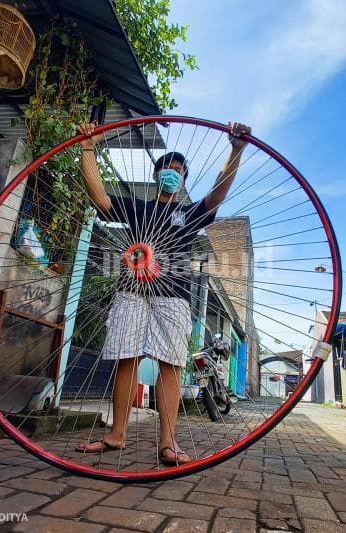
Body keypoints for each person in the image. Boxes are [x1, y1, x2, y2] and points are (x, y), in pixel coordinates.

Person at [75, 120, 251, 465]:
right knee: (126, 359)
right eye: (167, 170)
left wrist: (235, 150)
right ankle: (116, 435)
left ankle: (168, 442)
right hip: (132, 289)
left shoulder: (188, 213)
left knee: (170, 364)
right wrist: (87, 146)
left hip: (173, 296)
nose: (173, 175)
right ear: (157, 175)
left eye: (179, 172)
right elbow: (99, 196)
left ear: (184, 180)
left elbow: (217, 194)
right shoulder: (138, 209)